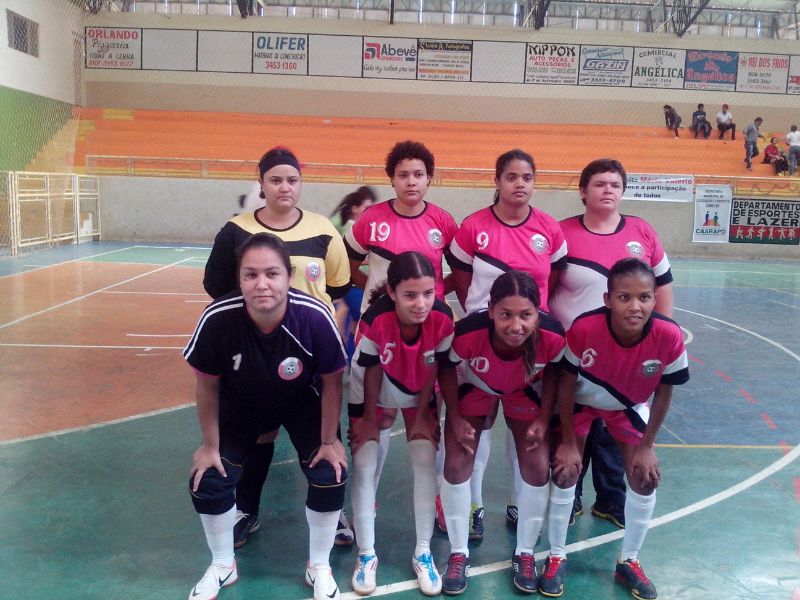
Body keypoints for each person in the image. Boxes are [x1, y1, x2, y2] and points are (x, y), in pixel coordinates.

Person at [184, 233, 349, 600]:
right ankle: (223, 565)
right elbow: (206, 385)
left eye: (272, 274)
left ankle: (319, 566)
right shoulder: (218, 318)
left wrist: (328, 441)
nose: (262, 284)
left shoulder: (313, 316)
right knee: (208, 478)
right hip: (240, 404)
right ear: (239, 278)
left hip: (302, 401)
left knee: (330, 472)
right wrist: (209, 445)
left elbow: (332, 381)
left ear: (288, 276)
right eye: (251, 274)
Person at [203, 147, 353, 549]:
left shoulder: (323, 230)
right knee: (259, 435)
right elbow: (217, 288)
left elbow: (338, 291)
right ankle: (246, 510)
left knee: (325, 436)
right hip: (257, 354)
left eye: (292, 180)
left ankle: (335, 513)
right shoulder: (235, 230)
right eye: (275, 180)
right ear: (262, 184)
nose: (284, 187)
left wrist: (332, 340)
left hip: (311, 355)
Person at [549, 158, 675, 531]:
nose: (608, 190)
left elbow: (662, 287)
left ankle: (610, 499)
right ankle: (570, 498)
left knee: (614, 429)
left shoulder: (642, 231)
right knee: (572, 426)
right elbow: (546, 286)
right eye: (600, 183)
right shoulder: (562, 233)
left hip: (625, 357)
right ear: (583, 191)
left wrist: (659, 337)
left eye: (615, 184)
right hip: (574, 354)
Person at [553, 258, 690, 600]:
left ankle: (629, 559)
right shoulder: (585, 329)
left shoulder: (668, 336)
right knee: (566, 471)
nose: (635, 306)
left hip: (626, 406)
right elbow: (565, 385)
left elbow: (664, 392)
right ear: (608, 299)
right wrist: (568, 441)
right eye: (624, 297)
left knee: (645, 477)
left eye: (644, 297)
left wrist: (647, 445)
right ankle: (556, 555)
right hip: (582, 403)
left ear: (655, 298)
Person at [448, 148, 567, 535]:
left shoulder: (549, 229)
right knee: (477, 425)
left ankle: (518, 504)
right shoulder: (473, 226)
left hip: (528, 341)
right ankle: (475, 506)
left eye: (527, 178)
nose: (519, 184)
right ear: (497, 181)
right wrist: (483, 319)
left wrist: (528, 321)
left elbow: (553, 281)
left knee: (525, 427)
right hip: (482, 341)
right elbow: (462, 280)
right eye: (511, 177)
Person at [438, 271, 569, 595]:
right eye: (505, 315)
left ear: (538, 313)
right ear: (491, 310)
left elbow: (554, 371)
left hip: (523, 392)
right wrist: (455, 417)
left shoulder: (552, 336)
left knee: (537, 466)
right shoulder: (469, 332)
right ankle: (458, 552)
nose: (516, 325)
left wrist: (543, 417)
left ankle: (525, 552)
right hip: (476, 387)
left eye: (526, 315)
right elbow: (446, 367)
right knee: (455, 464)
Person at [344, 140, 458, 495]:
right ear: (391, 179)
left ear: (429, 178)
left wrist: (435, 298)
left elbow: (460, 272)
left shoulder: (443, 222)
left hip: (428, 335)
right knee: (377, 417)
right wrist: (377, 296)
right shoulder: (371, 220)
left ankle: (439, 502)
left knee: (427, 417)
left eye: (418, 174)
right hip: (378, 332)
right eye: (403, 174)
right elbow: (349, 265)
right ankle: (367, 498)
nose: (411, 181)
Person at [348, 252, 455, 596]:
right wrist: (368, 420)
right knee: (364, 462)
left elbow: (435, 366)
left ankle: (423, 552)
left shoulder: (443, 318)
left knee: (425, 459)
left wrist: (423, 413)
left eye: (428, 293)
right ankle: (366, 554)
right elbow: (369, 370)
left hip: (418, 386)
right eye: (410, 295)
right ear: (392, 293)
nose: (421, 303)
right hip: (371, 388)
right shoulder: (375, 319)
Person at [330, 186, 377, 361]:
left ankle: (346, 356)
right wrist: (371, 259)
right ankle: (348, 357)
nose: (370, 211)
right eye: (367, 207)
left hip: (350, 283)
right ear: (355, 208)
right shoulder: (348, 228)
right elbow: (341, 257)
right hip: (349, 283)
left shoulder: (352, 224)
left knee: (350, 320)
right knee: (357, 321)